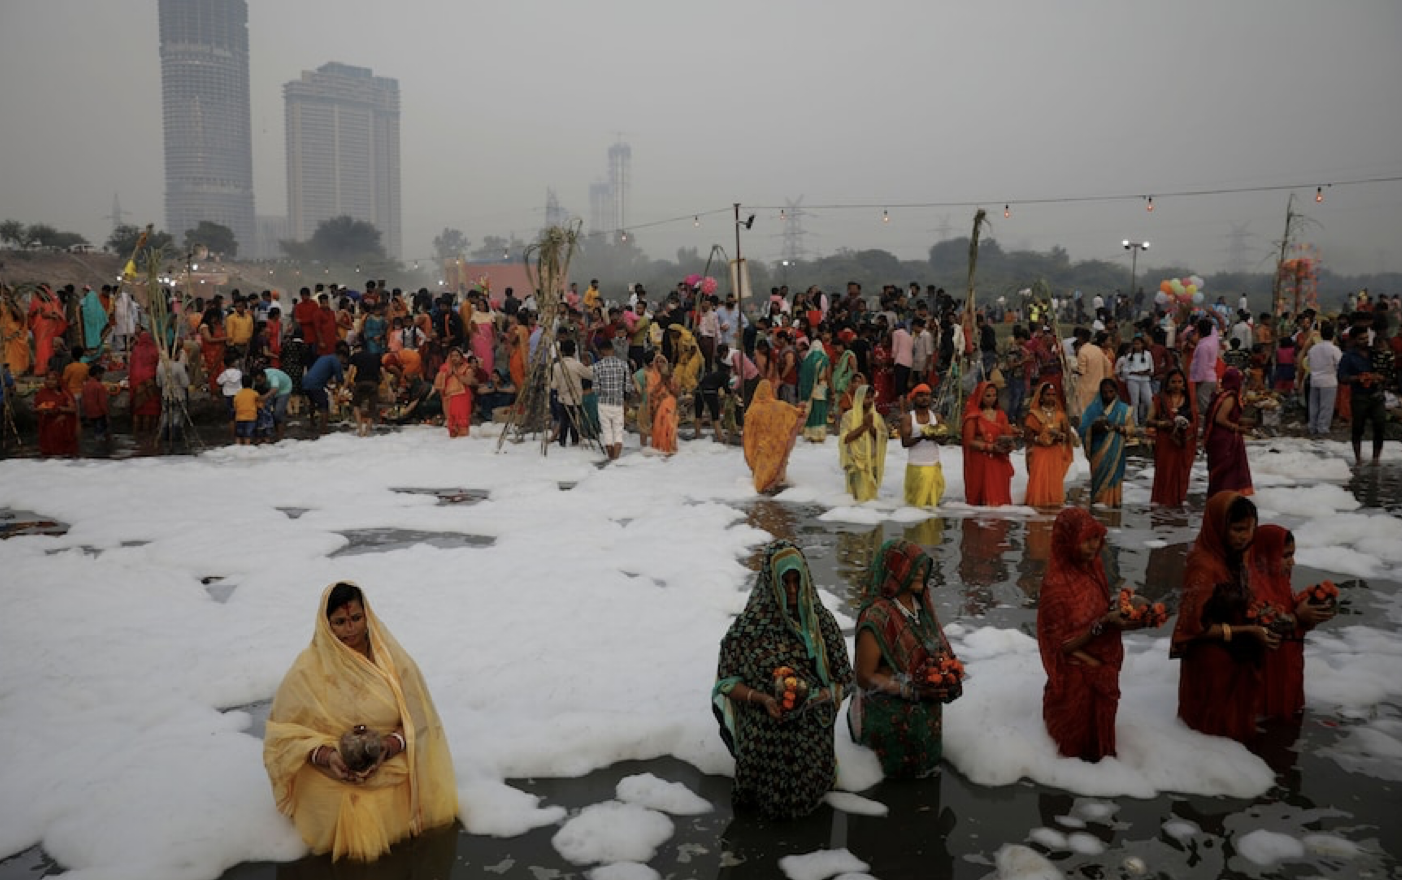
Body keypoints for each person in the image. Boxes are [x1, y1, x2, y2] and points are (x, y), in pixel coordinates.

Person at [264, 582, 458, 861]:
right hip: (329, 770)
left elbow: (421, 719)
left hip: (391, 761)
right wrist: (329, 757)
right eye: (340, 622)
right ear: (326, 624)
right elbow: (283, 735)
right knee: (346, 805)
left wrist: (388, 747)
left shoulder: (392, 662)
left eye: (356, 618)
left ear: (368, 616)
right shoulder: (307, 669)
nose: (350, 629)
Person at [712, 541, 852, 819]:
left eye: (796, 582)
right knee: (757, 809)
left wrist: (814, 698)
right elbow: (726, 682)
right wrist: (762, 698)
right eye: (784, 582)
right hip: (764, 725)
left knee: (806, 806)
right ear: (769, 582)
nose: (791, 590)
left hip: (812, 726)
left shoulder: (821, 623)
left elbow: (845, 681)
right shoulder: (749, 627)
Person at [1171, 492, 1280, 742]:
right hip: (1211, 666)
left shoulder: (1233, 557)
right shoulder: (1204, 566)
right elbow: (1192, 628)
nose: (1245, 537)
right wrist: (1248, 632)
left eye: (1250, 529)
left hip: (1234, 659)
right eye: (1238, 529)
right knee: (1210, 734)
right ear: (1219, 526)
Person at [1037, 508, 1143, 762]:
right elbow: (1058, 647)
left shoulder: (1093, 572)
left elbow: (1099, 611)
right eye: (1086, 540)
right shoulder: (1056, 585)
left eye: (1097, 539)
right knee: (1073, 753)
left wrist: (1126, 609)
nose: (1094, 546)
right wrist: (1103, 624)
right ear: (1068, 541)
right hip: (1076, 681)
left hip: (1102, 675)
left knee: (1100, 754)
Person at [849, 539, 960, 778]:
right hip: (889, 726)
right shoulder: (877, 616)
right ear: (895, 570)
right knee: (893, 800)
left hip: (925, 726)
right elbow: (864, 676)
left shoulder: (922, 610)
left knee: (925, 802)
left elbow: (940, 655)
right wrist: (912, 691)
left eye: (923, 566)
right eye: (913, 566)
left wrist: (949, 679)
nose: (921, 572)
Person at [1250, 525, 1335, 721]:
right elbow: (1261, 627)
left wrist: (1313, 613)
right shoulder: (1251, 587)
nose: (1292, 562)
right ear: (1265, 554)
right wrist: (1298, 618)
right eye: (1285, 556)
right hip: (1266, 676)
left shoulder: (1281, 584)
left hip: (1287, 670)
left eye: (1292, 555)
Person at [1338, 326, 1394, 467]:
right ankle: (1358, 459)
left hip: (1377, 395)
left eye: (1366, 338)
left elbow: (1387, 371)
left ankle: (1376, 459)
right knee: (1358, 427)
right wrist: (1359, 378)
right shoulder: (1348, 357)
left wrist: (1381, 377)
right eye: (1361, 339)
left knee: (1380, 425)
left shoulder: (1375, 353)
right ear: (1353, 340)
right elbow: (1341, 377)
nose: (1365, 341)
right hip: (1359, 396)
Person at [742, 379, 806, 493]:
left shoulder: (752, 410)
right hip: (777, 444)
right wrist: (801, 408)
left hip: (760, 448)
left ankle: (763, 485)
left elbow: (747, 434)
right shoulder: (780, 406)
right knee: (779, 464)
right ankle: (776, 482)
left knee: (761, 471)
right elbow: (796, 413)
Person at [1079, 378, 1134, 508]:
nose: (1108, 395)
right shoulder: (1092, 409)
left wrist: (1117, 428)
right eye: (1105, 392)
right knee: (1099, 481)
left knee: (1114, 478)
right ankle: (1098, 505)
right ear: (1100, 392)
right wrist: (1094, 427)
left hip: (1116, 452)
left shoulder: (1123, 409)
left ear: (1116, 391)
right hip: (1098, 450)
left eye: (1111, 392)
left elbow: (1131, 429)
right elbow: (1082, 429)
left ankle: (1114, 505)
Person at [1147, 368, 1197, 507]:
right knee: (1164, 473)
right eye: (1173, 382)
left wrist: (1186, 426)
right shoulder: (1159, 399)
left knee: (1180, 474)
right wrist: (1162, 423)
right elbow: (1149, 420)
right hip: (1165, 442)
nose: (1176, 385)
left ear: (1184, 384)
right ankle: (1162, 503)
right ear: (1167, 383)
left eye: (1180, 382)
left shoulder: (1189, 401)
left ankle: (1177, 502)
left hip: (1183, 444)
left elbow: (1195, 423)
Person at [961, 380, 1015, 506]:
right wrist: (989, 447)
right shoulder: (973, 416)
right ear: (980, 396)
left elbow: (1008, 435)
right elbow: (968, 441)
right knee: (981, 503)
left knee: (999, 502)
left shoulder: (1001, 415)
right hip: (981, 461)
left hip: (998, 460)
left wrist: (1009, 446)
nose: (991, 399)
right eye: (988, 396)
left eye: (994, 395)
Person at [1022, 381, 1075, 507]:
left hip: (1055, 453)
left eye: (1053, 394)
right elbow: (1027, 436)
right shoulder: (1034, 415)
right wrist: (1040, 439)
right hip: (1040, 453)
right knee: (1040, 481)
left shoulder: (1061, 416)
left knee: (1054, 481)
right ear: (1040, 397)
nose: (1051, 397)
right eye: (1047, 394)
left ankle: (1053, 508)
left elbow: (1068, 437)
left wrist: (1061, 436)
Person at [1203, 367, 1254, 497]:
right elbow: (1220, 419)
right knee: (1226, 474)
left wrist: (1245, 421)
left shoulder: (1222, 394)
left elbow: (1231, 416)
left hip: (1224, 439)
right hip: (1225, 440)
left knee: (1225, 474)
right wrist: (1238, 428)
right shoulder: (1230, 397)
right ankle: (1223, 499)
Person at [900, 384, 946, 507]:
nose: (924, 398)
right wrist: (922, 436)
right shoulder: (909, 418)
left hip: (934, 465)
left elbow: (943, 441)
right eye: (920, 395)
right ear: (914, 398)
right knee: (917, 506)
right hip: (916, 467)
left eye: (927, 395)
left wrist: (935, 436)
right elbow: (905, 443)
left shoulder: (936, 417)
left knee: (933, 505)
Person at [839, 383, 887, 502]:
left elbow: (883, 438)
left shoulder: (877, 417)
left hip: (872, 462)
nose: (869, 400)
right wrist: (864, 426)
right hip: (855, 462)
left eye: (871, 397)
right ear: (859, 398)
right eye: (866, 397)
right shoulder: (848, 416)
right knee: (857, 499)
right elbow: (845, 439)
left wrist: (871, 428)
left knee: (871, 500)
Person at [591, 338, 629, 460]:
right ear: (612, 350)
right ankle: (616, 460)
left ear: (601, 351)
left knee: (607, 432)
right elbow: (628, 387)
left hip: (603, 403)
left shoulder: (597, 366)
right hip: (618, 403)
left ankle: (611, 458)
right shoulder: (623, 365)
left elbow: (596, 388)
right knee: (618, 432)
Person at [434, 348, 477, 439]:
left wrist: (457, 374)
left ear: (461, 358)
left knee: (461, 420)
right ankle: (453, 442)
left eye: (457, 356)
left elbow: (469, 381)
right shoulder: (445, 369)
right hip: (448, 397)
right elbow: (438, 384)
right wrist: (446, 375)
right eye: (452, 356)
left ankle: (463, 440)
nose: (454, 358)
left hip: (462, 396)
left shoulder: (467, 368)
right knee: (451, 421)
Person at [34, 371, 79, 456]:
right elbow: (36, 408)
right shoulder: (41, 393)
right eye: (48, 379)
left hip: (63, 428)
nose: (50, 382)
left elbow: (73, 409)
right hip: (48, 428)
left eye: (53, 380)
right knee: (48, 453)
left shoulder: (65, 394)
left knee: (65, 454)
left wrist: (59, 409)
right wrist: (43, 410)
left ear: (58, 381)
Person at [648, 354, 678, 454]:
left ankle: (669, 448)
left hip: (670, 403)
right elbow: (651, 393)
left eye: (662, 361)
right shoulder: (652, 376)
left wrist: (668, 381)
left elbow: (677, 392)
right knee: (658, 427)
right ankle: (659, 449)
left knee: (669, 425)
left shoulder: (672, 375)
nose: (659, 364)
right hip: (657, 405)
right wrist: (661, 381)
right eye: (657, 362)